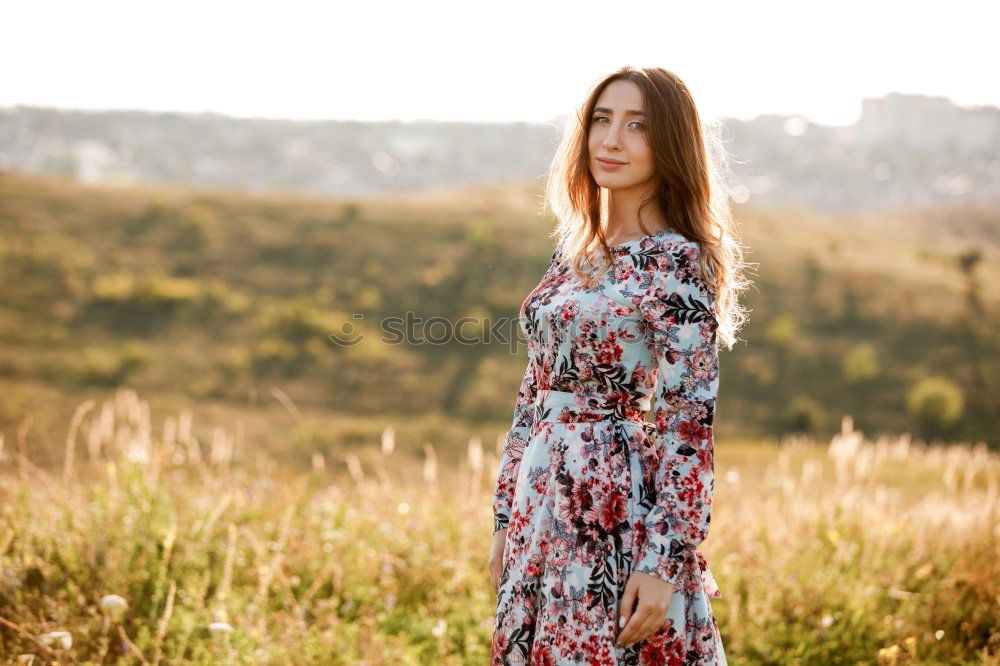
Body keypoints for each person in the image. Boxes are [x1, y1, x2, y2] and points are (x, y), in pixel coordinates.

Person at [488, 66, 752, 664]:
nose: (611, 140)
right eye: (601, 120)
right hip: (538, 507)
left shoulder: (677, 263)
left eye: (637, 126)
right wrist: (504, 518)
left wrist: (663, 564)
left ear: (671, 145)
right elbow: (532, 396)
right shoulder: (572, 249)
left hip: (612, 511)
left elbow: (689, 429)